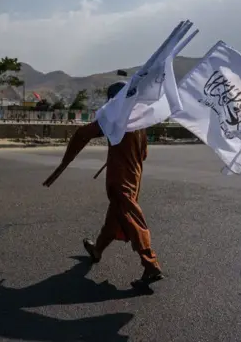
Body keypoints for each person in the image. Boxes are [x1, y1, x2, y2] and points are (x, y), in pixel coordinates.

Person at [42, 81, 163, 291]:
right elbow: (144, 154)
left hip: (120, 180)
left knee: (131, 218)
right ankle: (97, 250)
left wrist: (63, 164)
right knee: (114, 217)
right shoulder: (139, 121)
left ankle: (150, 263)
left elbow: (82, 134)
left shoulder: (114, 116)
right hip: (134, 178)